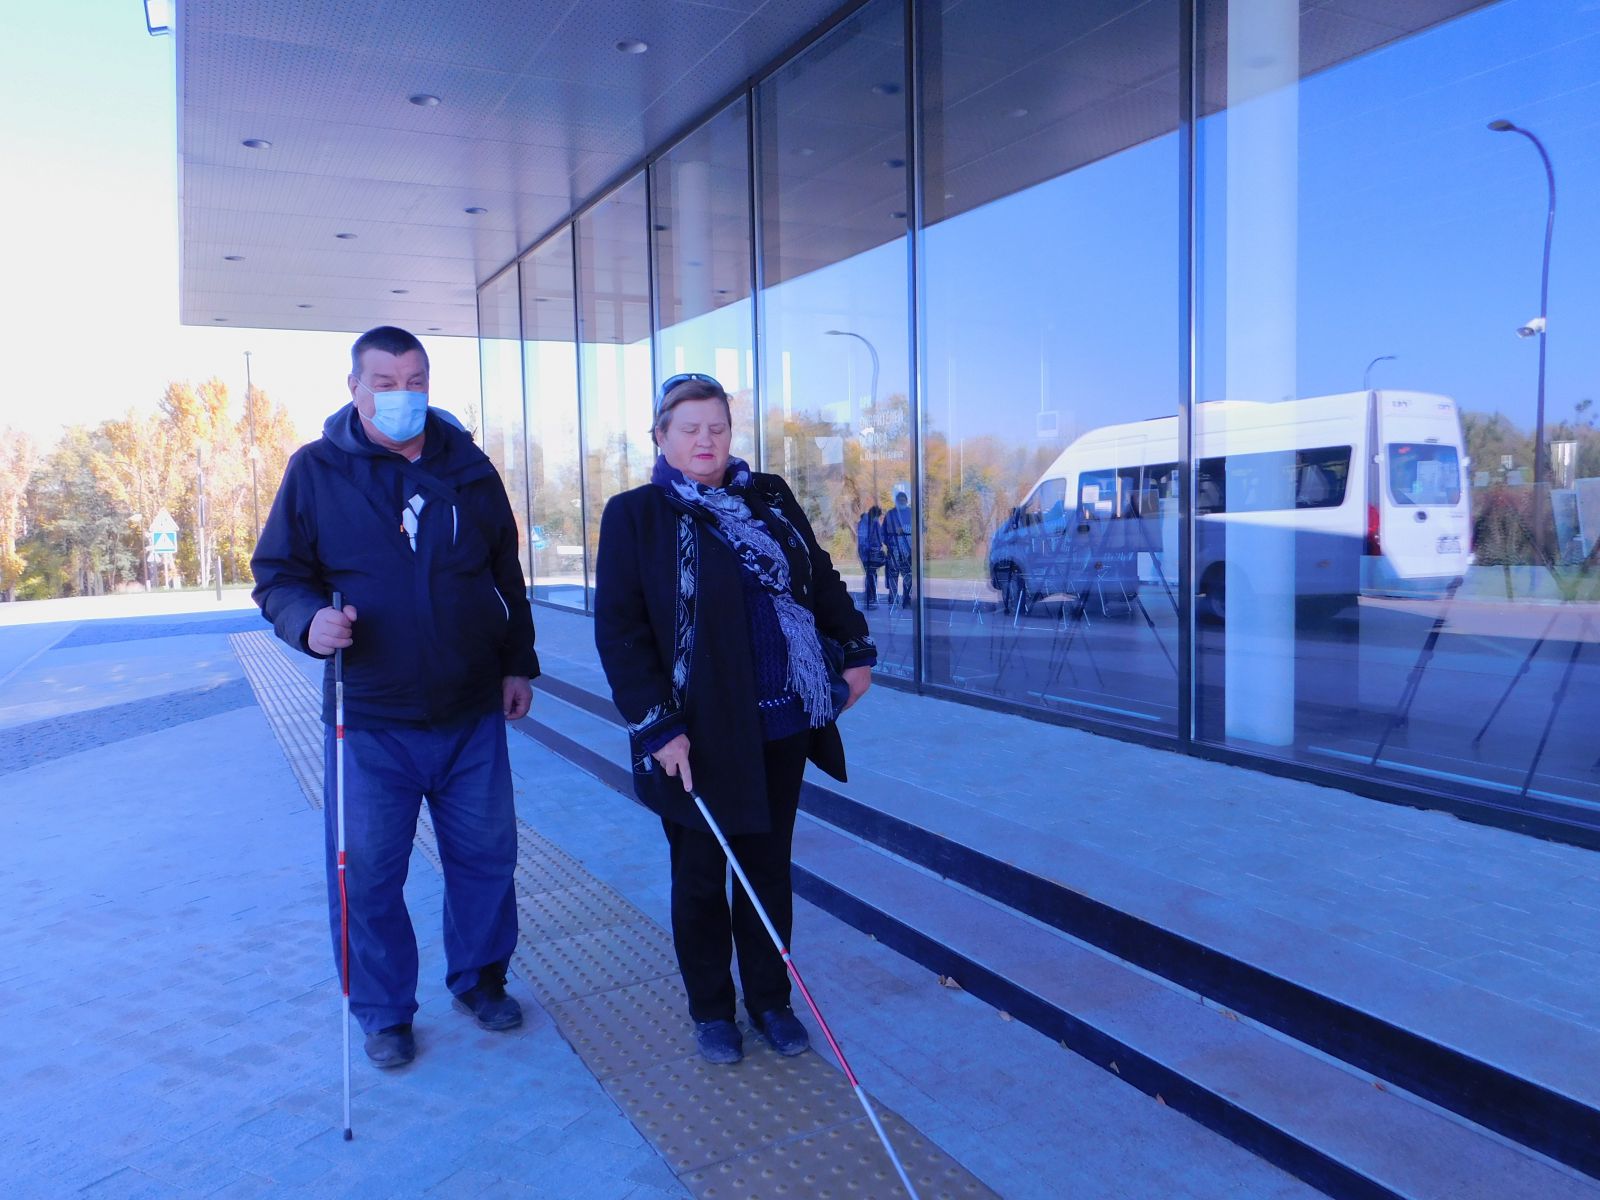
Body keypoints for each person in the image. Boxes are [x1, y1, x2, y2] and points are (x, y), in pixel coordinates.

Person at [251, 325, 537, 1070]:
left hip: (470, 711)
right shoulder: (315, 470)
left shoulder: (469, 468)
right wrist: (307, 622)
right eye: (384, 382)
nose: (402, 395)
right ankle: (383, 1012)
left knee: (487, 858)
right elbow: (277, 576)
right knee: (369, 875)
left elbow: (505, 575)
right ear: (355, 387)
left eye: (415, 381)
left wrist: (518, 664)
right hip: (370, 719)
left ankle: (481, 980)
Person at [594, 372, 876, 1066]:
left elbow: (819, 576)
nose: (706, 440)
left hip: (781, 722)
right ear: (661, 437)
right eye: (689, 428)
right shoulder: (636, 515)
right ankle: (712, 1010)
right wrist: (658, 726)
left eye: (717, 427)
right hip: (694, 737)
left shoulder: (768, 496)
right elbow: (621, 631)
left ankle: (771, 1001)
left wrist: (857, 652)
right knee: (699, 877)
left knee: (767, 869)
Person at [882, 490, 914, 605]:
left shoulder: (912, 513)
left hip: (908, 552)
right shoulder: (890, 514)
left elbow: (921, 529)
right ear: (896, 501)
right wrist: (890, 544)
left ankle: (907, 598)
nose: (902, 502)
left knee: (908, 575)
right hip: (894, 551)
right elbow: (883, 533)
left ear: (906, 501)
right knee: (893, 575)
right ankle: (893, 599)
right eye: (899, 500)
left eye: (903, 500)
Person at [856, 504, 885, 609]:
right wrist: (872, 550)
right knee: (871, 575)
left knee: (871, 575)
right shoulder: (867, 523)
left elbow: (879, 537)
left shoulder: (869, 522)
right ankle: (870, 599)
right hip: (868, 554)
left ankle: (870, 598)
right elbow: (866, 540)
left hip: (868, 553)